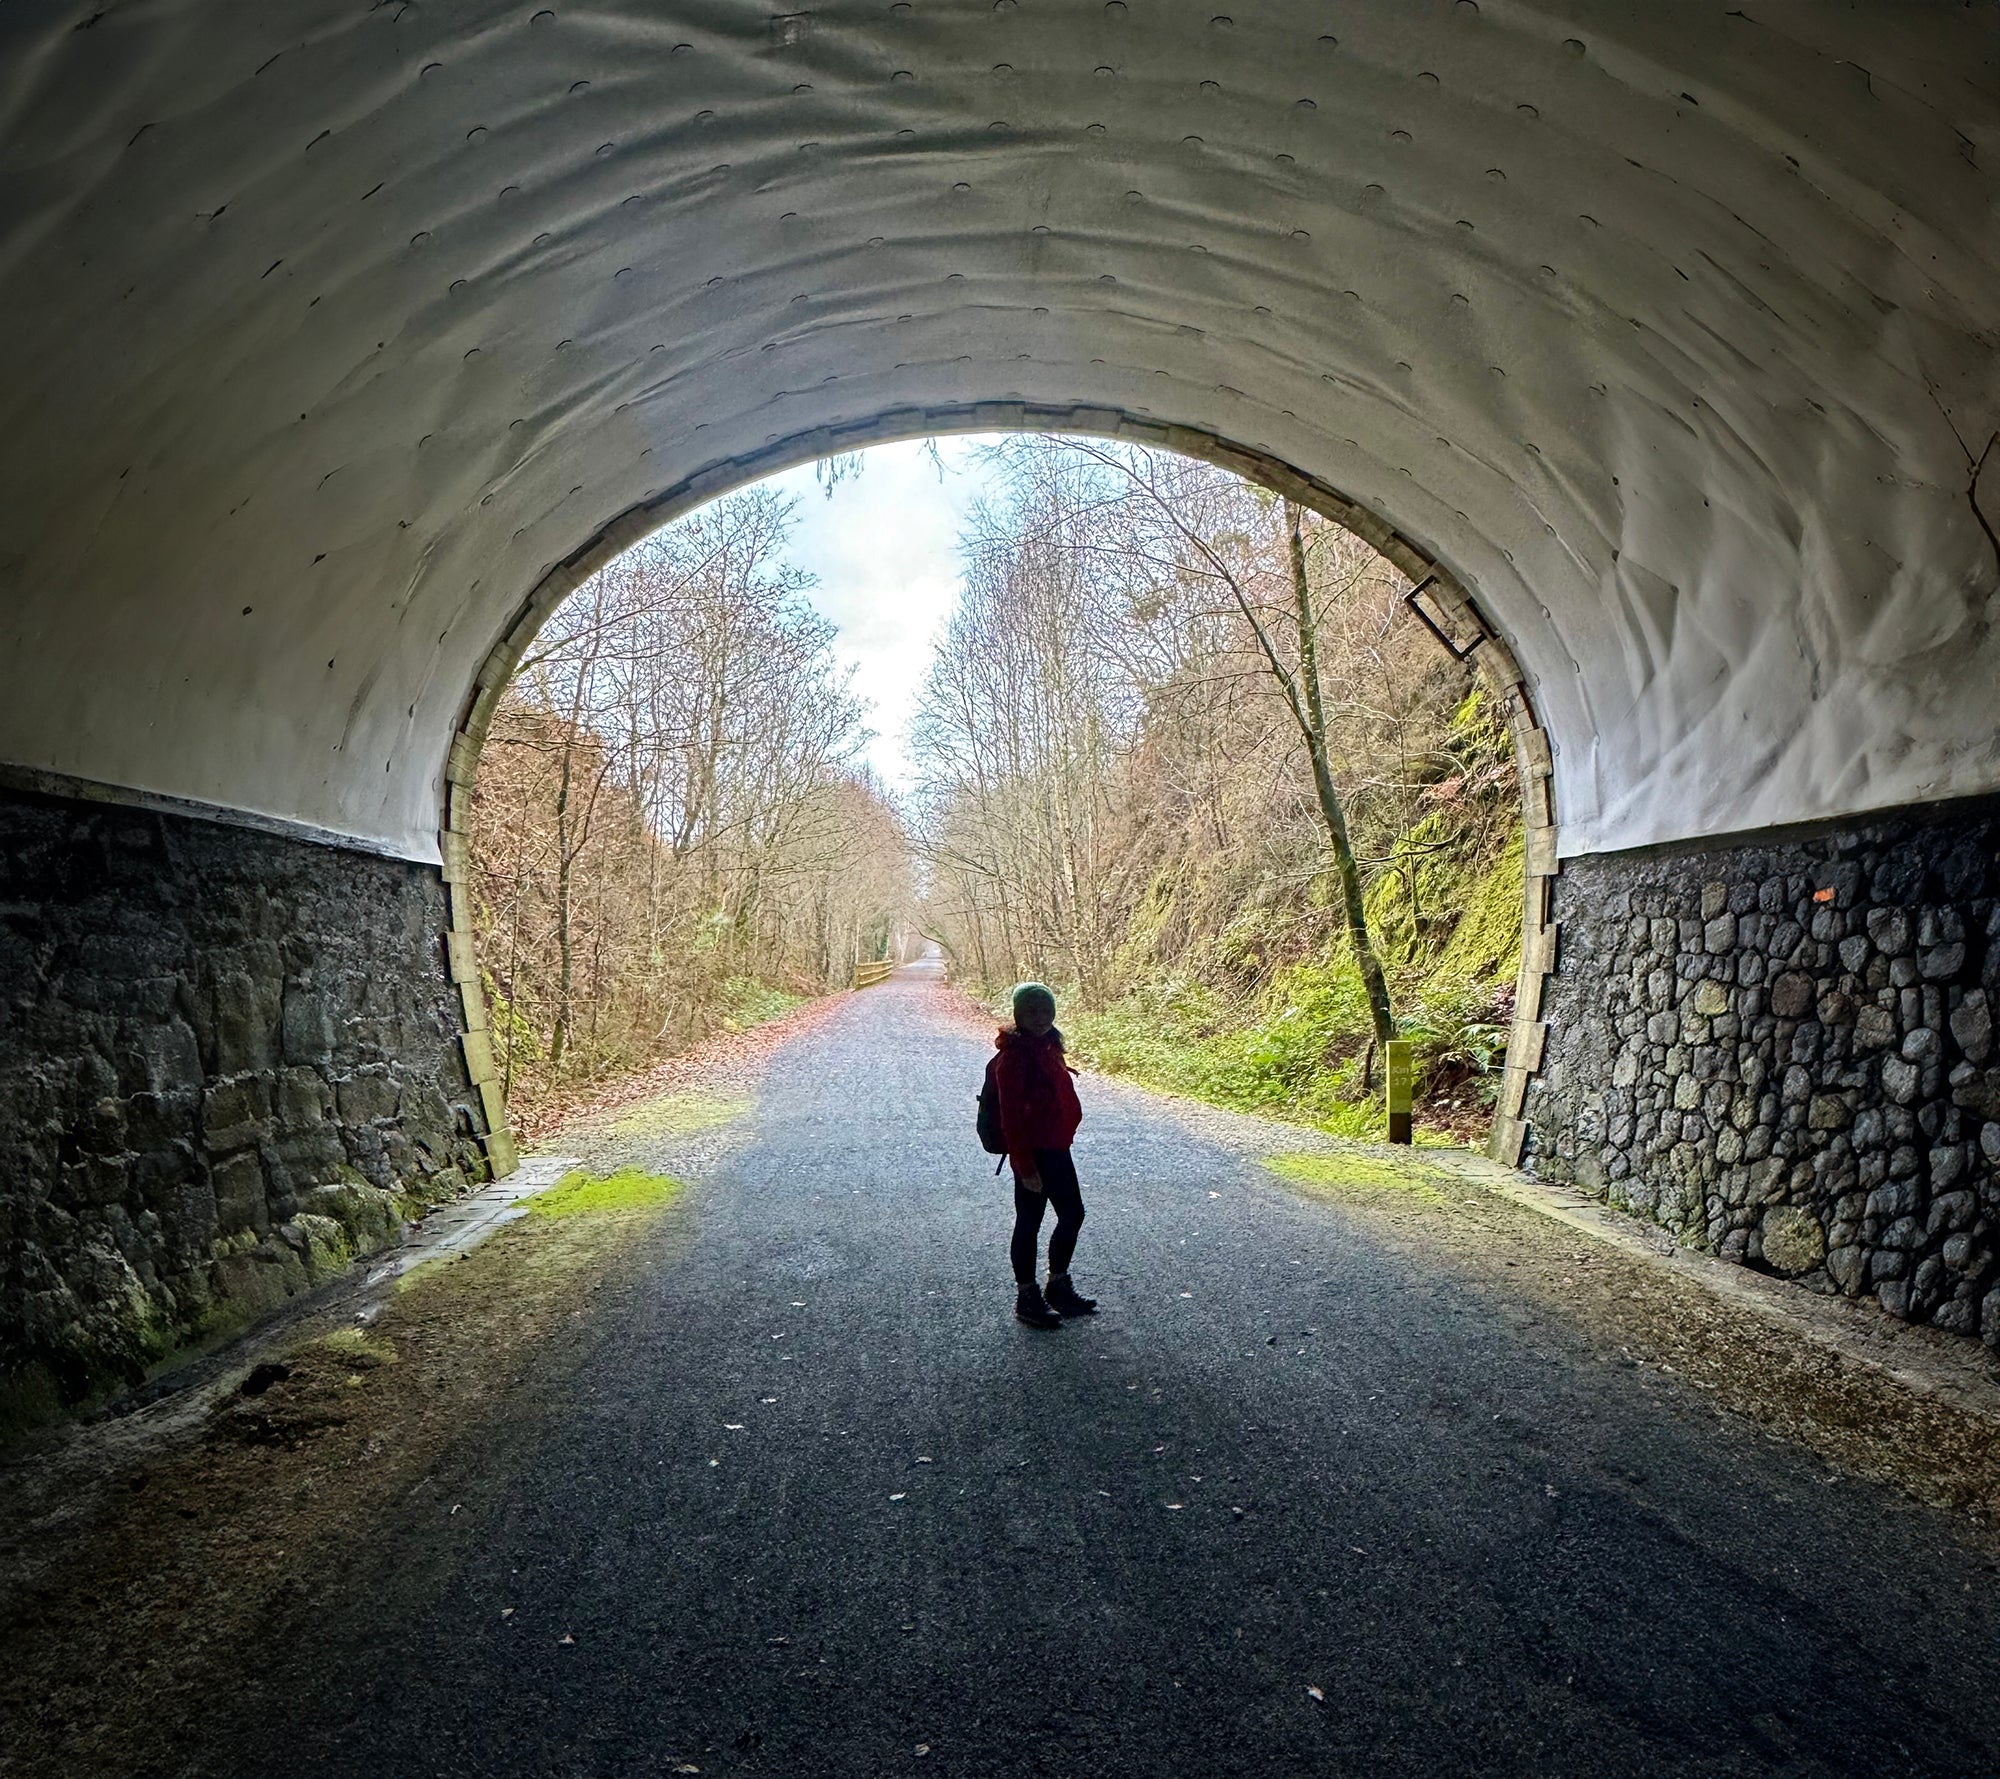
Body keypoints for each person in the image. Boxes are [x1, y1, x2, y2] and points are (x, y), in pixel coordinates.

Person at [992, 982, 1097, 1329]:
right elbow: (1010, 1119)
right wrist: (1025, 1167)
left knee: (1072, 1214)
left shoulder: (1049, 1046)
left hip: (1056, 1148)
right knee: (1030, 1221)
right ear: (1019, 1015)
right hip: (1035, 1153)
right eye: (1032, 1011)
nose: (1040, 1017)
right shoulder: (1014, 1058)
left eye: (1045, 1010)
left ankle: (1058, 1286)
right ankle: (1027, 1296)